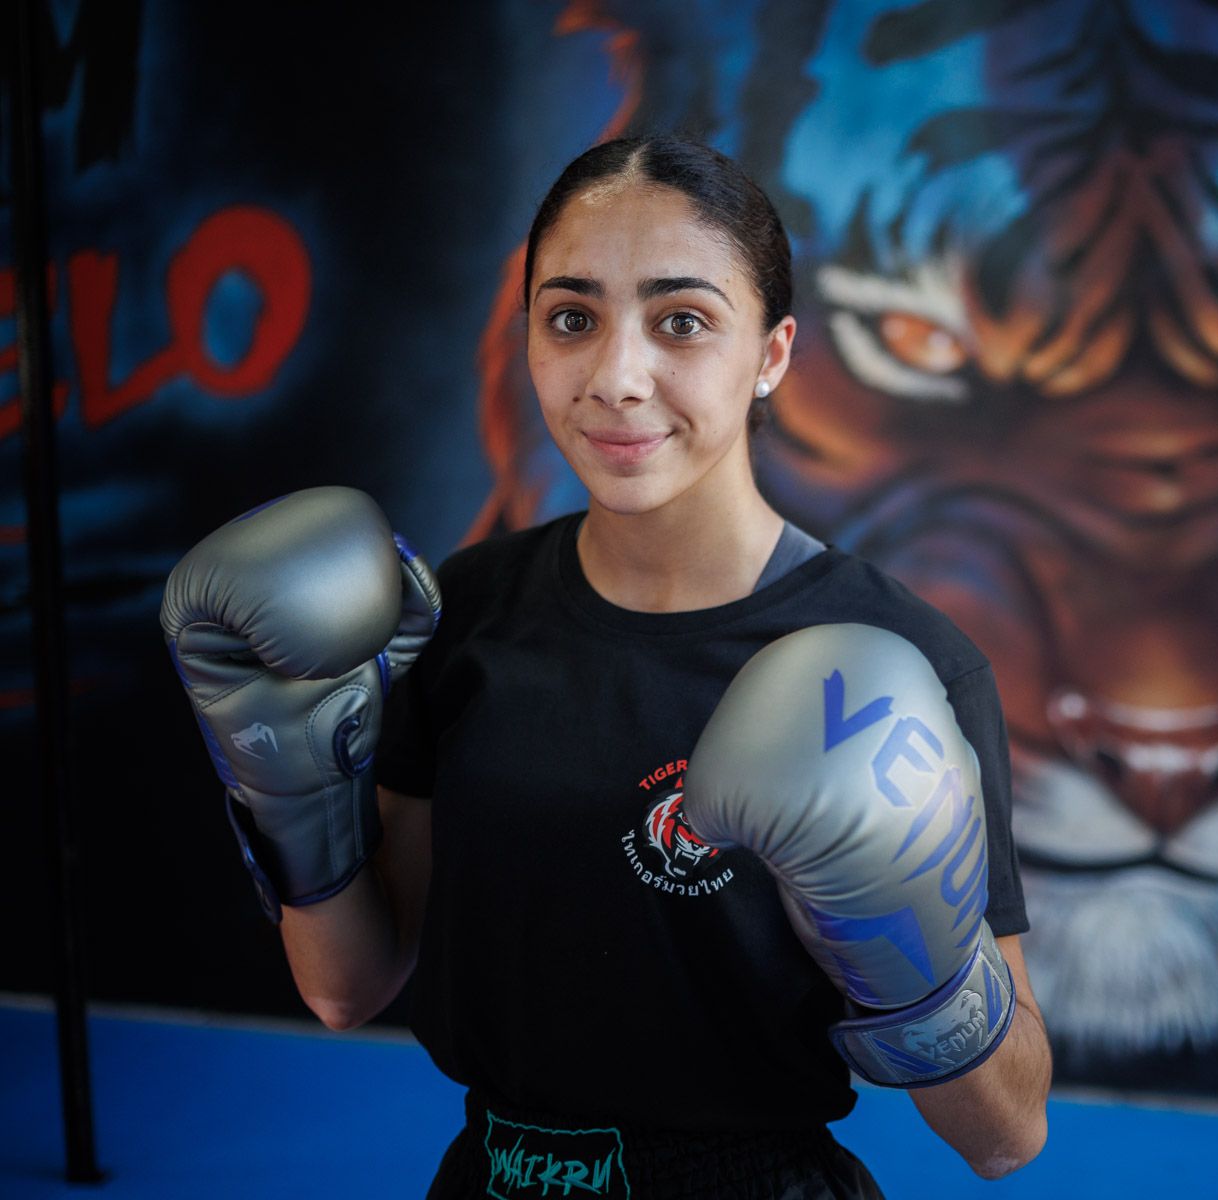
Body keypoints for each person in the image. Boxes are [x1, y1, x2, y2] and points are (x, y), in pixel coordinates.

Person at [161, 135, 1050, 1198]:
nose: (618, 378)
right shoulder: (470, 608)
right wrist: (285, 772)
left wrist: (919, 961)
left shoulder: (902, 665)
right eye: (572, 319)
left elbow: (1006, 1135)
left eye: (682, 322)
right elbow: (347, 987)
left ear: (770, 354)